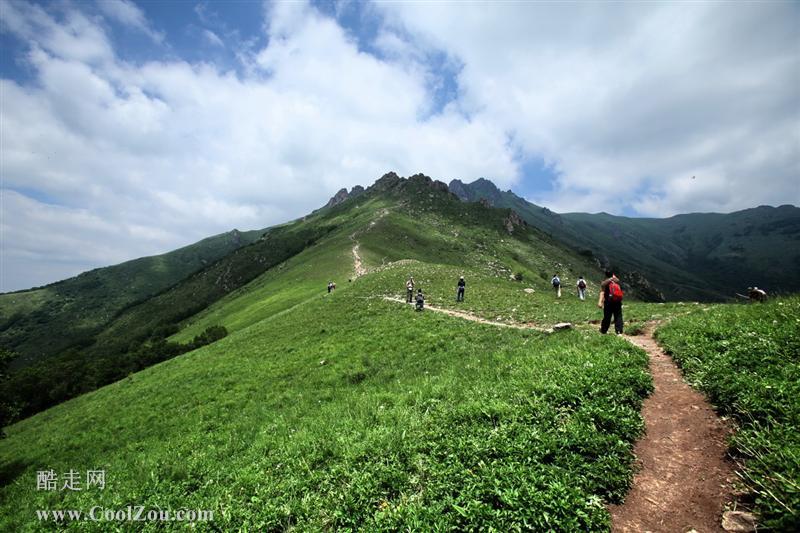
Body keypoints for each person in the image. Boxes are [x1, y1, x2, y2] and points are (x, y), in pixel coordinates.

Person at [598, 270, 624, 335]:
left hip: (608, 302)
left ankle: (603, 330)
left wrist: (600, 302)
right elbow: (621, 291)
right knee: (618, 316)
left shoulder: (606, 282)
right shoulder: (617, 281)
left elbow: (602, 291)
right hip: (617, 302)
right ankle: (619, 331)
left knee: (607, 316)